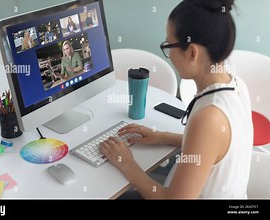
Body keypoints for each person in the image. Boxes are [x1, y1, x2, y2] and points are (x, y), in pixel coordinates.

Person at [99, 0, 253, 199]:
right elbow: (211, 147)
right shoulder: (237, 85)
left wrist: (126, 163)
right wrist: (161, 136)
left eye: (169, 45)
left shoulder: (209, 118)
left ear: (192, 52)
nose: (169, 55)